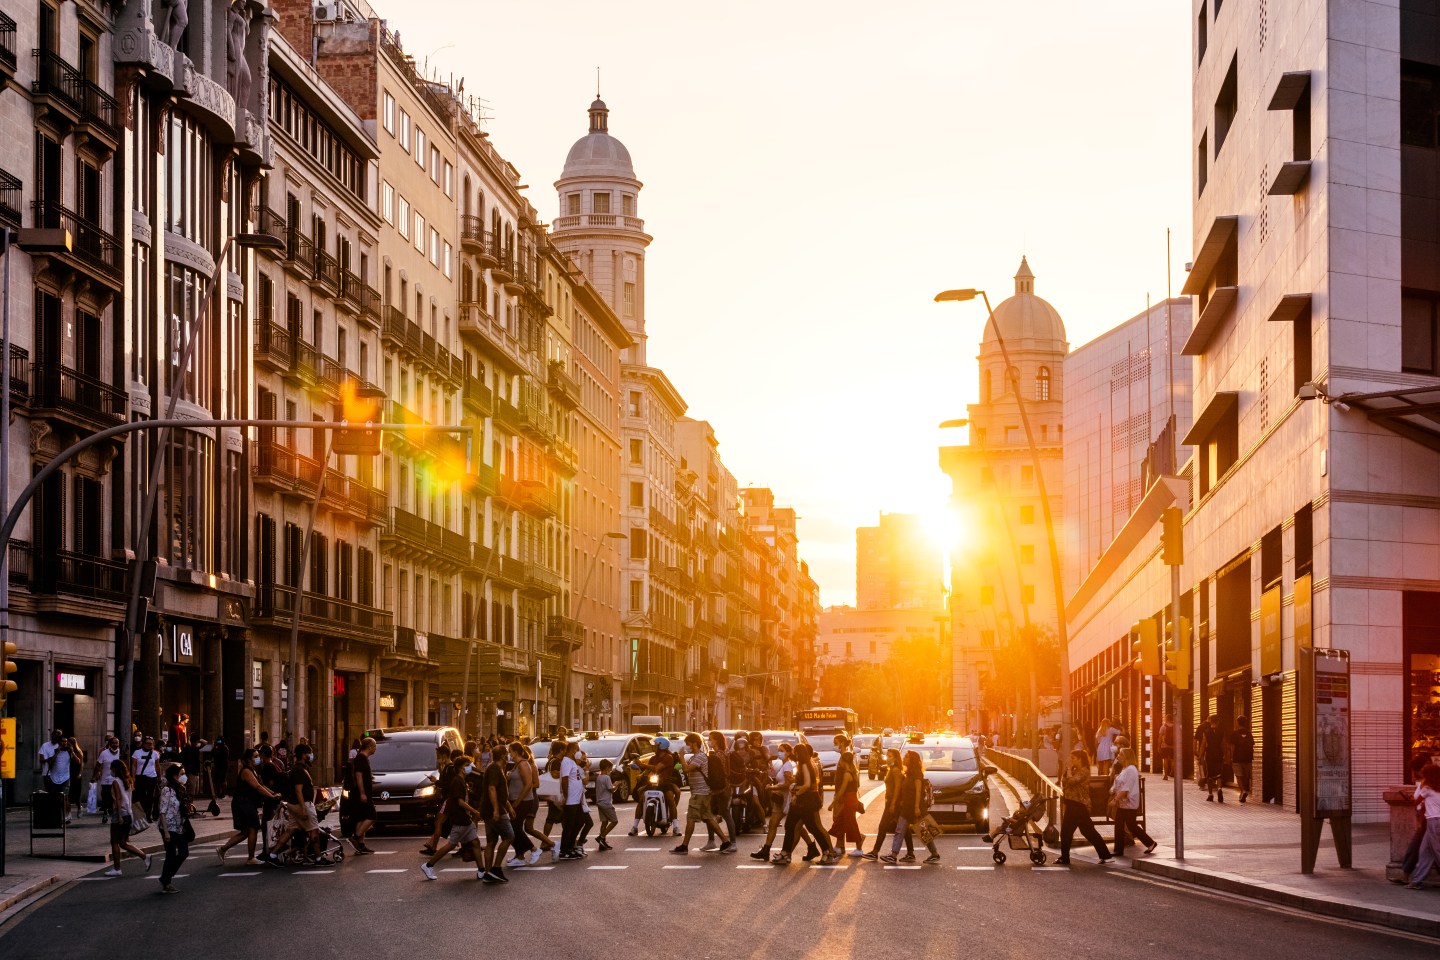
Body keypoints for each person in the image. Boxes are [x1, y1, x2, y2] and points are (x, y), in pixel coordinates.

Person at [419, 755, 485, 881]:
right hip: (460, 819)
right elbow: (460, 801)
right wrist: (475, 811)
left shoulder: (461, 780)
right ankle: (428, 865)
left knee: (475, 842)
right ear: (461, 768)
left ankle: (481, 870)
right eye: (468, 765)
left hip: (465, 819)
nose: (471, 767)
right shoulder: (458, 781)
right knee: (451, 845)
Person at [773, 742, 838, 865]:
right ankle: (785, 853)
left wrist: (795, 790)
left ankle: (826, 852)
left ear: (798, 753)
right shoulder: (807, 763)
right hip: (804, 801)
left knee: (808, 827)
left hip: (805, 801)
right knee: (795, 826)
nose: (794, 754)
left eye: (795, 752)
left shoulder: (804, 765)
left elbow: (807, 784)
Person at [217, 748, 280, 865]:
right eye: (255, 756)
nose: (258, 758)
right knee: (253, 829)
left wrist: (273, 793)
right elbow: (257, 787)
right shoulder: (246, 771)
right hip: (243, 803)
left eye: (258, 756)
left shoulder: (253, 770)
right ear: (248, 759)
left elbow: (262, 785)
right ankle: (251, 858)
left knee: (246, 832)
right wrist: (271, 796)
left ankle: (222, 849)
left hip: (248, 803)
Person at [672, 733, 728, 855]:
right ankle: (725, 841)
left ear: (695, 743)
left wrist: (681, 757)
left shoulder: (700, 757)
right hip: (700, 792)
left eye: (688, 743)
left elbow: (687, 769)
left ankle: (684, 846)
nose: (687, 746)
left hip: (700, 792)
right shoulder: (695, 757)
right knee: (708, 818)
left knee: (691, 819)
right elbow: (687, 769)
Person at [881, 750, 939, 865]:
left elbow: (918, 791)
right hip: (907, 808)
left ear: (911, 760)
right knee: (900, 830)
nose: (903, 759)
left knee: (923, 831)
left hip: (915, 807)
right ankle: (894, 855)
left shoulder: (917, 774)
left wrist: (917, 807)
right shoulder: (908, 774)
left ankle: (934, 854)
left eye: (906, 757)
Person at [1056, 748, 1113, 866]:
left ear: (1080, 759)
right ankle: (1105, 854)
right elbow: (1064, 782)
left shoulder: (1084, 771)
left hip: (1079, 805)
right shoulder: (1074, 770)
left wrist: (1068, 770)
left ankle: (1065, 858)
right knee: (1087, 831)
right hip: (1073, 804)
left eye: (1073, 758)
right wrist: (1068, 771)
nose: (1070, 761)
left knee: (1067, 832)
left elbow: (1071, 782)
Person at [269, 744, 320, 862]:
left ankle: (272, 855)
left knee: (291, 830)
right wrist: (303, 808)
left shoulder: (300, 768)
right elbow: (298, 790)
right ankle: (318, 857)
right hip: (302, 805)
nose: (311, 755)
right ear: (303, 754)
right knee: (313, 830)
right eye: (309, 753)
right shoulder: (299, 770)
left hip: (294, 805)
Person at [861, 748, 914, 861]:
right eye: (887, 756)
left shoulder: (895, 770)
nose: (887, 758)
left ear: (895, 758)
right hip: (891, 802)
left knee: (883, 826)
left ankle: (875, 852)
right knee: (904, 828)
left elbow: (897, 788)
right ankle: (910, 853)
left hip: (893, 802)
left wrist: (893, 803)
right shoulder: (891, 769)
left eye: (890, 756)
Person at [749, 741, 796, 862]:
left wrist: (772, 787)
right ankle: (766, 850)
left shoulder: (787, 766)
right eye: (779, 750)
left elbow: (787, 784)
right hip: (779, 798)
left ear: (789, 753)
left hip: (785, 799)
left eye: (782, 751)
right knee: (773, 824)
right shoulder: (783, 765)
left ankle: (810, 846)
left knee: (797, 827)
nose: (779, 753)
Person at [103, 760, 151, 876]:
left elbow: (118, 799)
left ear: (115, 769)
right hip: (129, 813)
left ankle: (117, 868)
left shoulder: (115, 781)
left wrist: (119, 815)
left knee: (114, 842)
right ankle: (144, 856)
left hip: (120, 813)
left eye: (111, 768)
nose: (110, 771)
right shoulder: (128, 781)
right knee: (123, 842)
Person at [1110, 748, 1158, 856]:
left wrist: (1115, 800)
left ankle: (1149, 843)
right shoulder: (1125, 769)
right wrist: (1113, 789)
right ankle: (1149, 843)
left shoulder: (1131, 769)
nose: (1118, 756)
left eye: (1120, 754)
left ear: (1126, 756)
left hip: (1129, 802)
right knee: (1124, 825)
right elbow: (1119, 783)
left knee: (1129, 825)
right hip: (1124, 802)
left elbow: (1126, 787)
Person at [629, 736, 680, 837]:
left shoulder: (668, 757)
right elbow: (648, 770)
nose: (653, 747)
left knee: (670, 796)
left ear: (661, 747)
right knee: (641, 794)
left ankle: (675, 826)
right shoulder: (653, 758)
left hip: (665, 783)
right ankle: (634, 827)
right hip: (653, 782)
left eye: (655, 746)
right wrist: (641, 775)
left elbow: (656, 768)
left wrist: (642, 765)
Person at [478, 747, 514, 883]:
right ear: (503, 756)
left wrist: (509, 807)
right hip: (495, 809)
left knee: (491, 842)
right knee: (509, 837)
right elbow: (492, 788)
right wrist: (496, 809)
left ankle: (488, 874)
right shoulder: (494, 769)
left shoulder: (496, 768)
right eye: (507, 754)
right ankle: (496, 868)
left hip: (491, 809)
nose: (508, 756)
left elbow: (500, 790)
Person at [156, 764, 193, 893]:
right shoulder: (167, 789)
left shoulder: (181, 789)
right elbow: (162, 811)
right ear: (174, 775)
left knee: (184, 852)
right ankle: (166, 882)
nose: (183, 776)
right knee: (171, 854)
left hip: (180, 826)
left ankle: (165, 877)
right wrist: (165, 831)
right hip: (168, 826)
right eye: (181, 774)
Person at [828, 733, 865, 856]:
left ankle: (855, 844)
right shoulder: (847, 762)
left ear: (842, 743)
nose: (834, 746)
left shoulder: (846, 760)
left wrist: (833, 802)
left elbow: (843, 788)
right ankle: (840, 846)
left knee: (848, 822)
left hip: (845, 799)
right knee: (843, 821)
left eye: (836, 743)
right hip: (847, 798)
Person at [1407, 763, 1440, 889]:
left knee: (1437, 852)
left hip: (1433, 822)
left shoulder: (1426, 788)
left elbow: (1416, 801)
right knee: (1425, 851)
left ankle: (1417, 880)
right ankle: (1417, 880)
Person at [705, 731, 737, 853]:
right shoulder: (726, 753)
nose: (709, 741)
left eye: (711, 739)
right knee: (713, 813)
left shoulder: (718, 755)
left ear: (716, 740)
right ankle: (712, 841)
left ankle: (731, 843)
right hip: (725, 786)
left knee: (723, 814)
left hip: (720, 787)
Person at [557, 741, 588, 859]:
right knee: (569, 826)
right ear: (572, 750)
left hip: (576, 799)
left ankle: (570, 847)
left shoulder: (572, 762)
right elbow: (564, 779)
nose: (578, 752)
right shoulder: (566, 761)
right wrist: (566, 795)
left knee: (579, 821)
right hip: (570, 799)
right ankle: (564, 851)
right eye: (577, 749)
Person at [349, 736, 378, 854]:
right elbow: (358, 776)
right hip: (362, 794)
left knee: (361, 818)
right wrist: (362, 793)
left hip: (363, 793)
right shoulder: (361, 758)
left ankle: (360, 845)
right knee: (372, 816)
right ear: (369, 746)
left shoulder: (362, 758)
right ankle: (355, 838)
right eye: (374, 746)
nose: (375, 749)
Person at [1198, 715, 1227, 802]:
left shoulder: (1206, 732)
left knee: (1209, 774)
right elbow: (1223, 744)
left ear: (1210, 722)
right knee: (1219, 773)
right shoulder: (1222, 732)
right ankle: (1219, 789)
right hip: (1219, 754)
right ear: (1218, 722)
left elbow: (1203, 745)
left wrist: (1200, 756)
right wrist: (1225, 754)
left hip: (1209, 755)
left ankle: (1210, 795)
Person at [94, 735, 122, 824]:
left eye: (116, 743)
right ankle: (105, 812)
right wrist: (94, 776)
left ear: (118, 744)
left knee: (115, 798)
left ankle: (115, 814)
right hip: (105, 779)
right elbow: (98, 765)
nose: (114, 744)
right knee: (106, 797)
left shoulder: (121, 753)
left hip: (117, 780)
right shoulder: (104, 753)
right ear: (109, 744)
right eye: (113, 743)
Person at [132, 735, 162, 818]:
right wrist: (133, 777)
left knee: (151, 796)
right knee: (141, 796)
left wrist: (159, 777)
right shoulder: (137, 752)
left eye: (151, 744)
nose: (149, 745)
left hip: (152, 777)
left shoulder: (155, 753)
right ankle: (143, 813)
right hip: (140, 777)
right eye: (147, 743)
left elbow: (157, 765)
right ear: (143, 743)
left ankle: (148, 814)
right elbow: (134, 765)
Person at [1228, 715, 1255, 803]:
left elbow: (1232, 747)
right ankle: (1245, 790)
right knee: (1246, 776)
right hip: (1247, 758)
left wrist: (1231, 757)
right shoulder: (1249, 734)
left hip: (1237, 758)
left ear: (1237, 723)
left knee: (1239, 776)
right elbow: (1252, 746)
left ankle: (1243, 791)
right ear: (1246, 723)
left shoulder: (1234, 734)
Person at [594, 759, 619, 850]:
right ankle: (601, 837)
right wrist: (616, 784)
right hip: (606, 803)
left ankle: (602, 843)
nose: (611, 770)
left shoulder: (599, 777)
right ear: (607, 767)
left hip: (600, 802)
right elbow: (611, 790)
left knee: (604, 822)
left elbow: (607, 788)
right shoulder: (606, 777)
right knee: (614, 821)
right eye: (610, 768)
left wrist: (613, 786)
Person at [1157, 714, 1175, 781]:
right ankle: (1172, 772)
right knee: (1173, 760)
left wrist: (1158, 746)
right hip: (1173, 746)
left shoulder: (1163, 727)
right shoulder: (1175, 726)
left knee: (1165, 760)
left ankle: (1166, 775)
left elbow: (1160, 737)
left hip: (1165, 746)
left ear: (1166, 719)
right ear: (1171, 719)